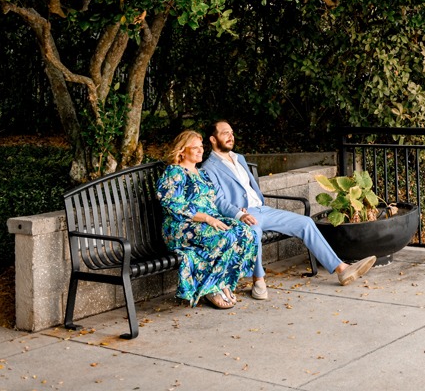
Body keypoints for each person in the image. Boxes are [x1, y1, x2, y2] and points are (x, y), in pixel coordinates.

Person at [200, 120, 374, 299]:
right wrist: (240, 214)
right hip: (241, 216)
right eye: (225, 133)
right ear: (213, 139)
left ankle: (341, 269)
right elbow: (219, 201)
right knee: (253, 234)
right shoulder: (208, 168)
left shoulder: (239, 158)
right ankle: (258, 281)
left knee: (305, 222)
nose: (231, 136)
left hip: (262, 210)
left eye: (232, 132)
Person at [157, 130, 259, 309]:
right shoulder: (175, 172)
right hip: (181, 226)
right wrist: (206, 218)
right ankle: (210, 289)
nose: (200, 151)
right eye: (194, 148)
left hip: (208, 222)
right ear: (182, 151)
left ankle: (223, 282)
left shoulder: (202, 173)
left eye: (201, 147)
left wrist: (237, 212)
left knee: (246, 233)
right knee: (225, 237)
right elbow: (172, 205)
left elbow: (215, 202)